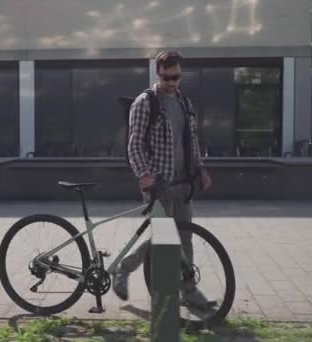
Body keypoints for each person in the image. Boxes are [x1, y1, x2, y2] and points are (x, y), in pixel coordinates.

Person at [112, 50, 214, 311]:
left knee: (185, 238)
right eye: (166, 77)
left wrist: (201, 169)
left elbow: (192, 141)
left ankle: (189, 292)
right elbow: (134, 144)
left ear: (181, 75)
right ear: (158, 74)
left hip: (184, 182)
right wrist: (144, 175)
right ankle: (123, 269)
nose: (171, 82)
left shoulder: (185, 103)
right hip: (158, 182)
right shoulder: (146, 102)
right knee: (164, 238)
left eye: (176, 77)